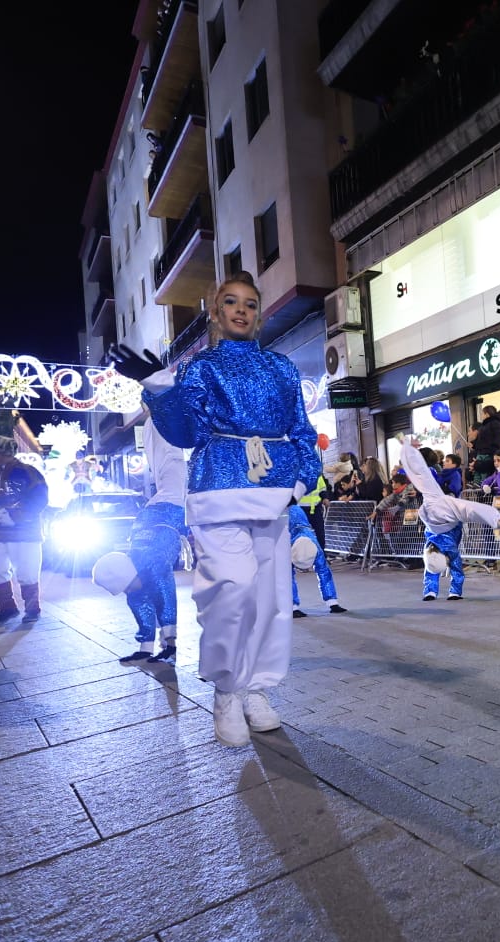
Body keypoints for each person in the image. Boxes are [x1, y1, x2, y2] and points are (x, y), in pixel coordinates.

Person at [110, 270, 320, 746]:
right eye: (231, 301)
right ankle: (227, 688)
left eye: (250, 303)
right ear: (216, 312)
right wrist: (159, 386)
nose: (241, 309)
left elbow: (302, 430)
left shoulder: (282, 367)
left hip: (274, 492)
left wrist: (302, 479)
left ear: (258, 314)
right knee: (231, 587)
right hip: (217, 489)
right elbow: (185, 433)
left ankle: (257, 689)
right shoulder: (201, 368)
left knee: (270, 599)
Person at [89, 421, 188, 663]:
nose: (128, 592)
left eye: (127, 587)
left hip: (171, 503)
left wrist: (170, 643)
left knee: (170, 459)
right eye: (125, 590)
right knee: (161, 462)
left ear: (130, 576)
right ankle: (147, 647)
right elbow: (140, 602)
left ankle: (158, 418)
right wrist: (145, 648)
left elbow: (166, 598)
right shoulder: (132, 581)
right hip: (151, 513)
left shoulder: (153, 564)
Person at [396, 439, 500, 599]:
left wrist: (408, 449)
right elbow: (421, 474)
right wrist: (408, 449)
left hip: (443, 519)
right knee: (454, 557)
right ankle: (446, 590)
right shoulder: (439, 503)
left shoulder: (440, 503)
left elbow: (421, 474)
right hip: (443, 521)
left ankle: (433, 590)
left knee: (466, 514)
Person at [0, 435, 49, 625]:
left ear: (4, 453)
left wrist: (21, 514)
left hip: (24, 531)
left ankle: (32, 609)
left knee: (27, 571)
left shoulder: (29, 472)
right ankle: (6, 608)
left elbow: (40, 498)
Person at [287, 504, 347, 616]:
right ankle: (293, 606)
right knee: (287, 573)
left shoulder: (316, 551)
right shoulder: (287, 548)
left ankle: (331, 602)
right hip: (284, 520)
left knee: (288, 575)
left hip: (295, 520)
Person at [470, 405, 500, 476]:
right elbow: (482, 440)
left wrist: (490, 454)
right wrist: (474, 444)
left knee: (486, 476)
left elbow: (496, 442)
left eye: (482, 414)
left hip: (489, 455)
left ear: (487, 414)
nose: (481, 416)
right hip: (483, 454)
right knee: (478, 476)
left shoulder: (496, 424)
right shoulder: (485, 425)